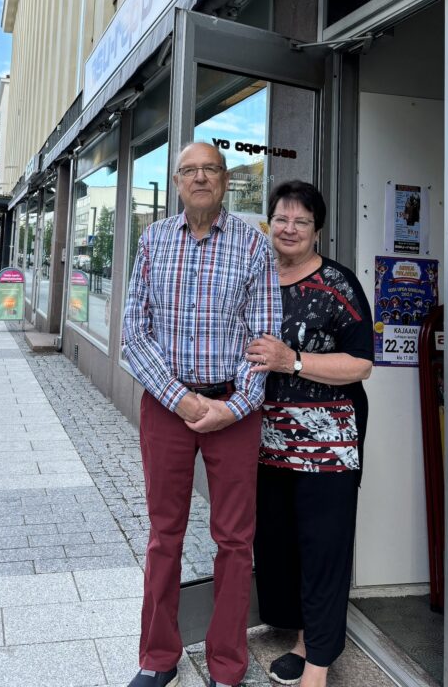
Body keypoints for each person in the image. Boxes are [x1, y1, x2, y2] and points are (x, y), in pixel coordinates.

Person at [122, 141, 282, 687]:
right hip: (167, 406)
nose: (199, 178)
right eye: (188, 171)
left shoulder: (253, 244)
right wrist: (182, 400)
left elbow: (265, 338)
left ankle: (228, 666)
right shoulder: (153, 240)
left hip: (233, 409)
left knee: (234, 540)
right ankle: (158, 658)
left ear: (225, 180)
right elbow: (134, 332)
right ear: (176, 183)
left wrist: (233, 407)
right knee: (164, 534)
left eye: (209, 170)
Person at [245, 181, 373, 687]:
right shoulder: (256, 279)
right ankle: (299, 632)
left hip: (327, 445)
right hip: (264, 439)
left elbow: (361, 364)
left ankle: (316, 658)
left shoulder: (338, 284)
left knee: (323, 547)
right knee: (279, 544)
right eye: (281, 218)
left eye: (301, 221)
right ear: (269, 223)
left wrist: (293, 360)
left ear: (317, 229)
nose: (290, 228)